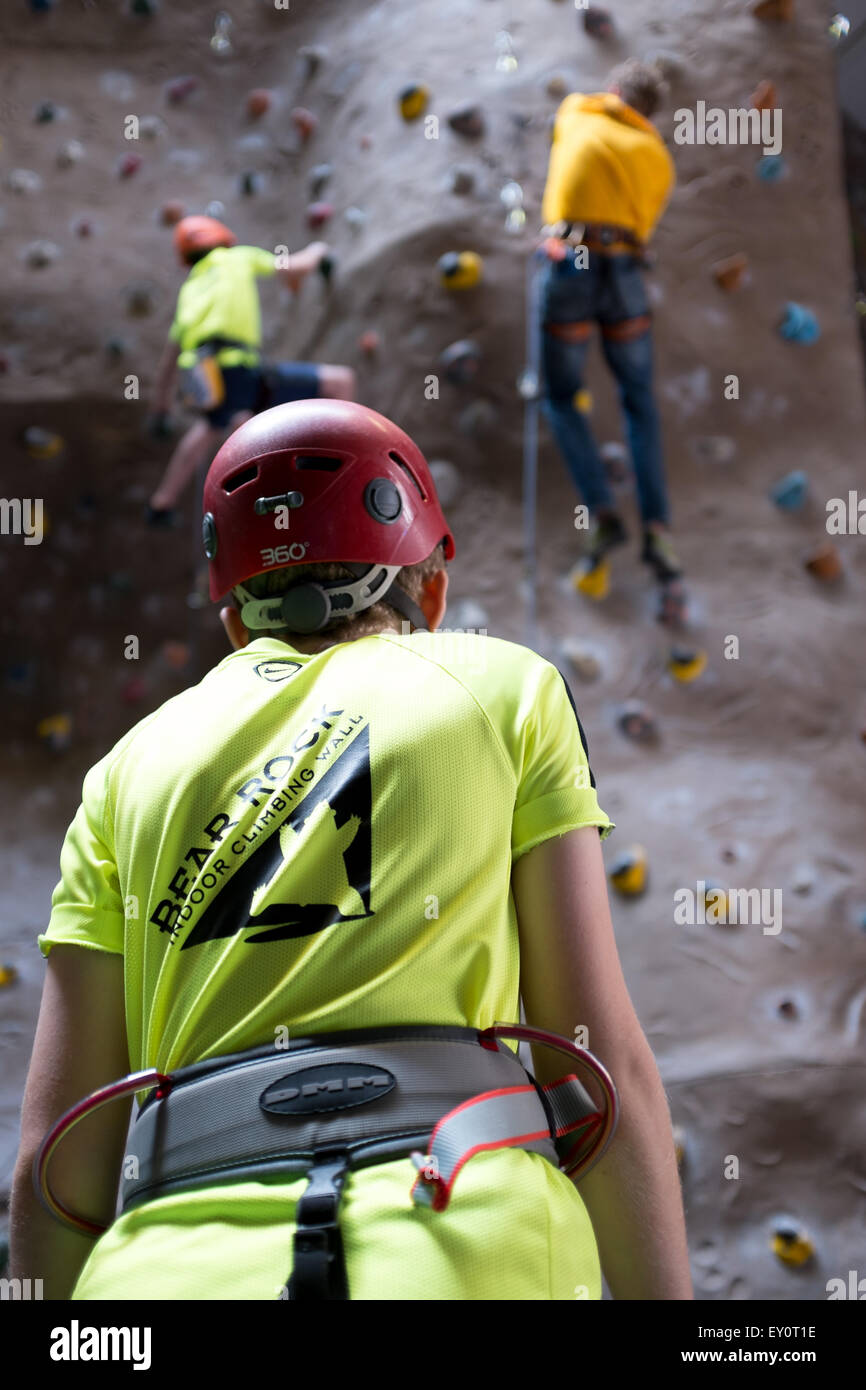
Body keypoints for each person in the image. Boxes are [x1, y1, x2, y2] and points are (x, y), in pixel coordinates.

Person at [10, 400, 692, 1302]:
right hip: (464, 1244)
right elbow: (596, 1061)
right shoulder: (501, 688)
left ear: (233, 622)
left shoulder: (123, 775)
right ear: (433, 590)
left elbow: (54, 1171)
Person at [538, 59, 683, 607]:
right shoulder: (659, 160)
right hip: (625, 272)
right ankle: (659, 534)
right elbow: (642, 224)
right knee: (639, 401)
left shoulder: (578, 109)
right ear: (652, 114)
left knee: (558, 393)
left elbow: (567, 157)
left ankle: (601, 512)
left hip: (571, 258)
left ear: (615, 91)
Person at [146, 215, 356, 526]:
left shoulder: (190, 289)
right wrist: (318, 249)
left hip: (201, 377)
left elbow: (169, 358)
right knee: (341, 382)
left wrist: (160, 406)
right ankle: (338, 472)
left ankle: (162, 502)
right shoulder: (237, 257)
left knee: (212, 423)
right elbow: (293, 266)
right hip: (235, 367)